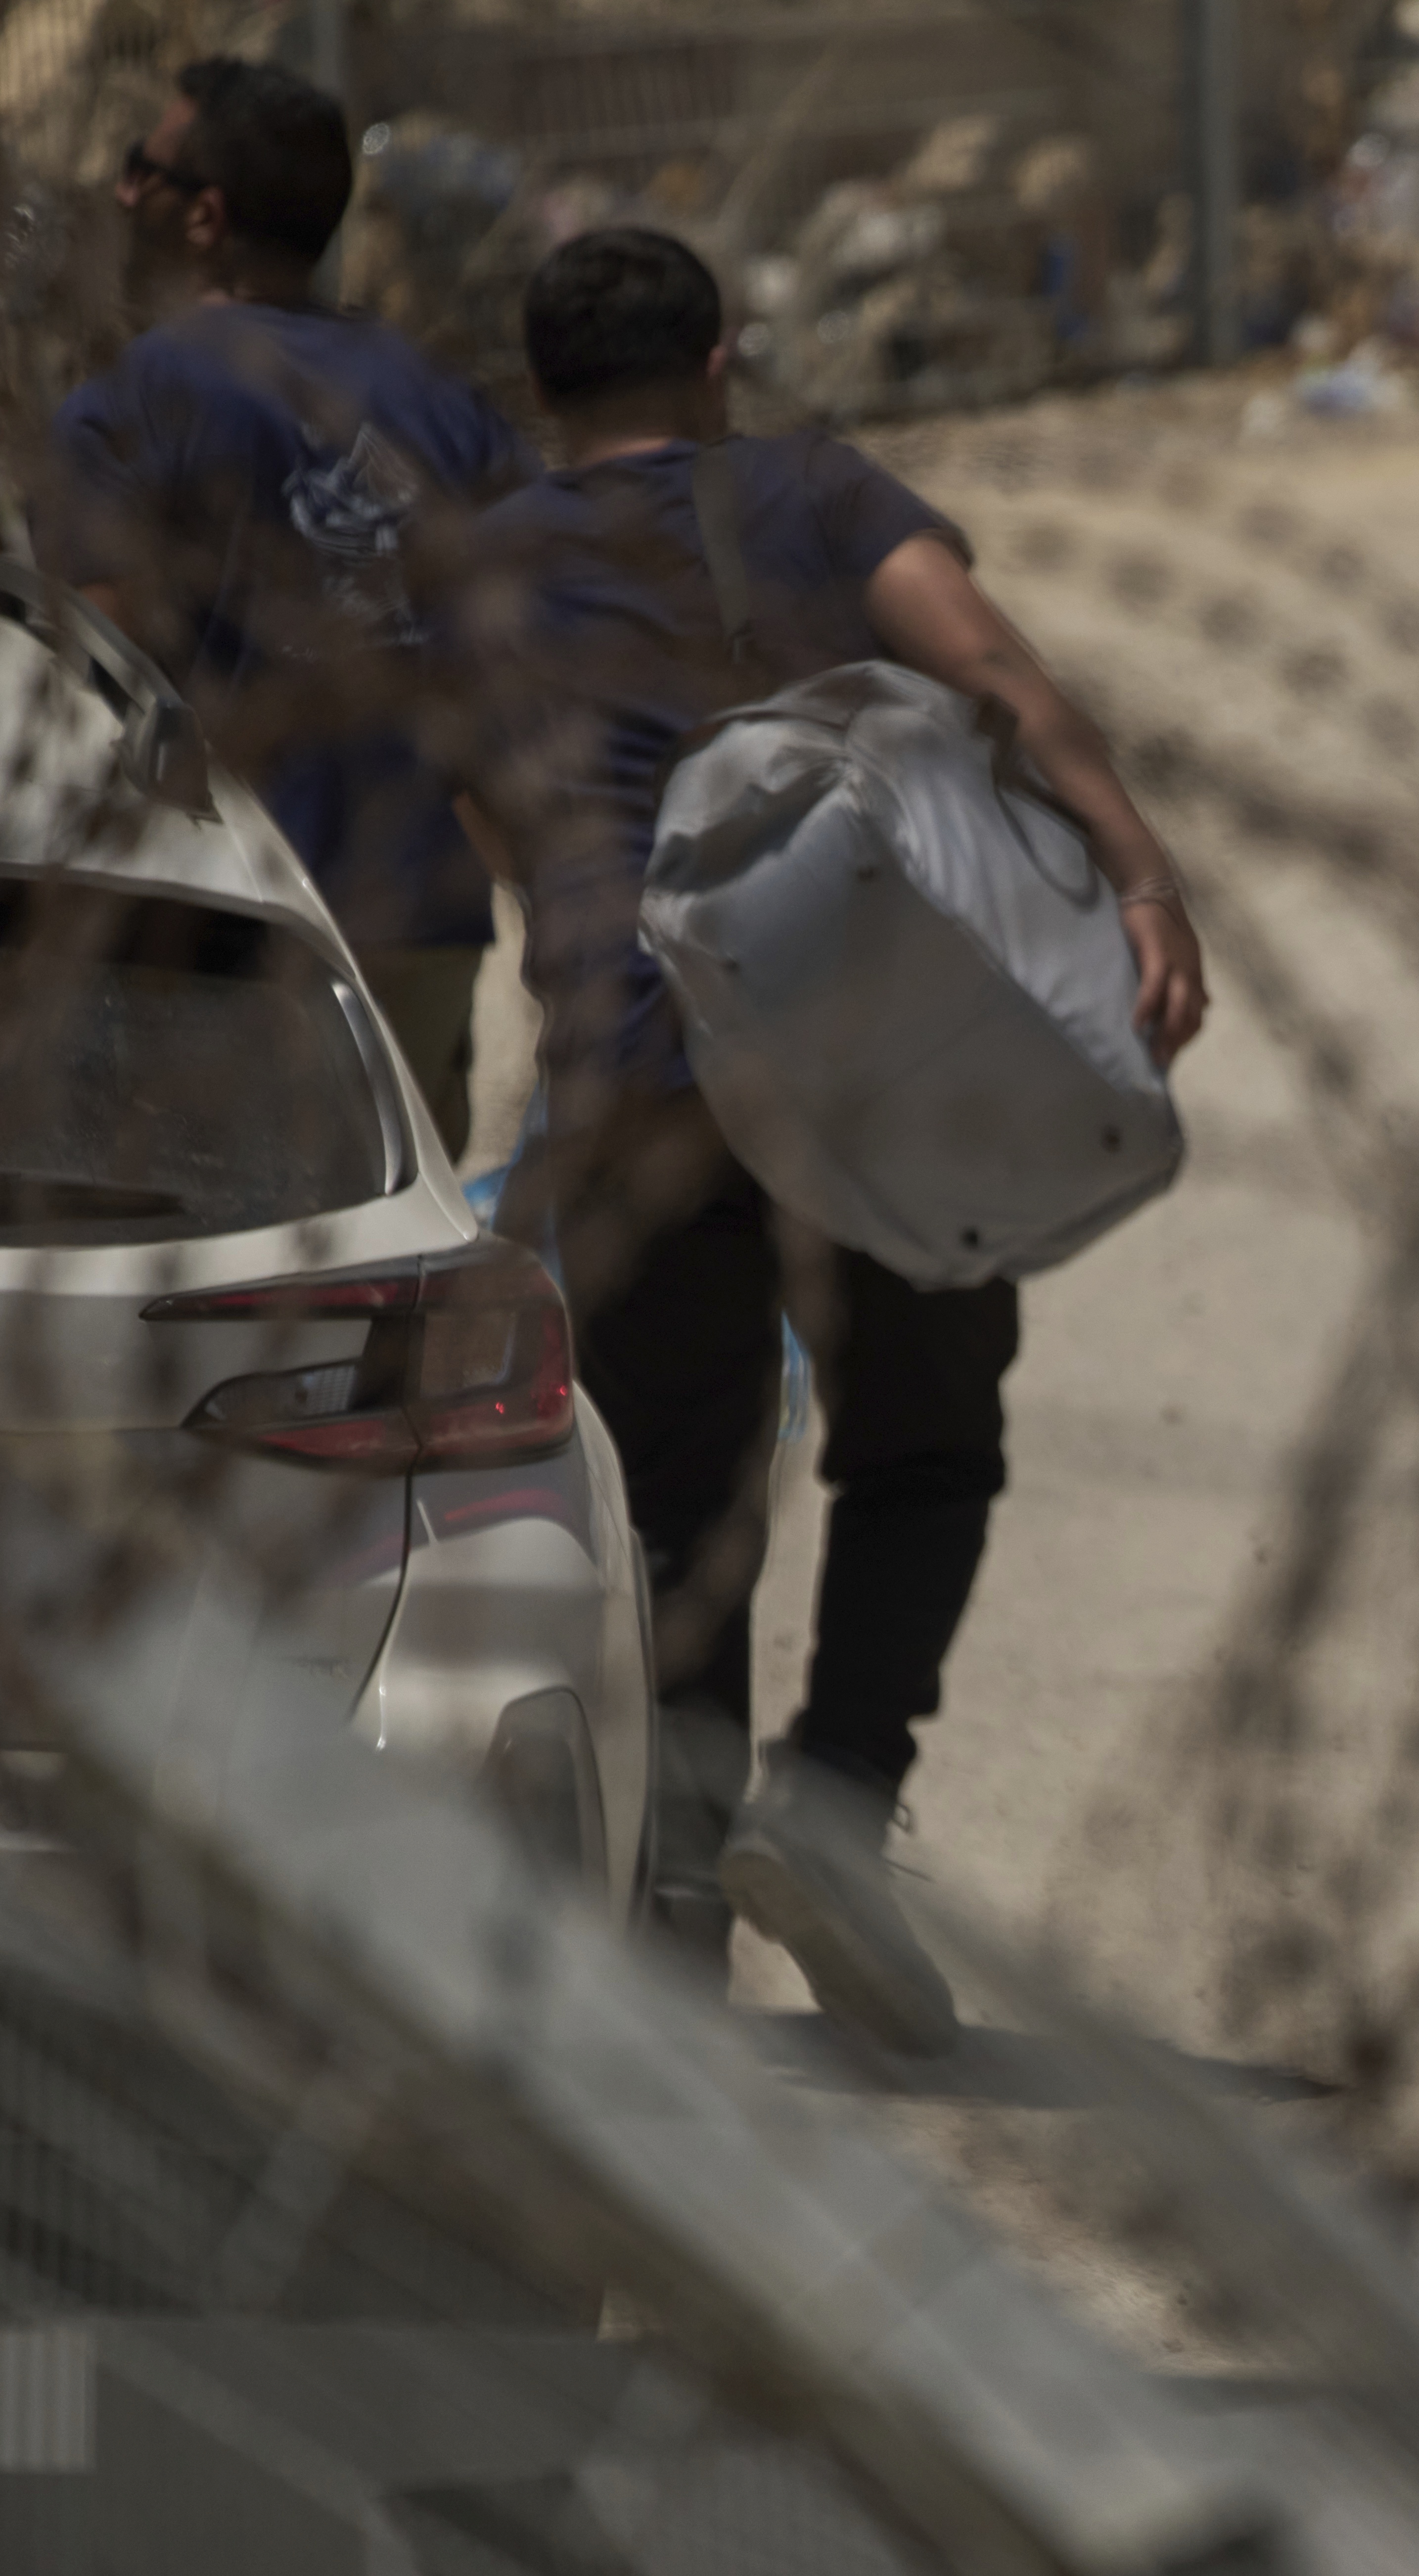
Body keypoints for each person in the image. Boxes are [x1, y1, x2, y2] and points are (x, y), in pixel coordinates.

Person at [450, 227, 1206, 2055]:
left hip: (638, 1077)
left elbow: (483, 807)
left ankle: (682, 1907)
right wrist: (1137, 868)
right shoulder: (812, 489)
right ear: (721, 355)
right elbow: (994, 670)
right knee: (926, 1443)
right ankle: (840, 1797)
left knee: (675, 1508)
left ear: (540, 392)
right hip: (879, 1060)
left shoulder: (475, 571)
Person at [42, 56, 536, 1155]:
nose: (122, 194)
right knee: (403, 1262)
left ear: (206, 216)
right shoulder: (448, 402)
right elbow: (540, 643)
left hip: (239, 929)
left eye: (142, 170)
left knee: (239, 1262)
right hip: (428, 918)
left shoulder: (127, 408)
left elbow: (101, 687)